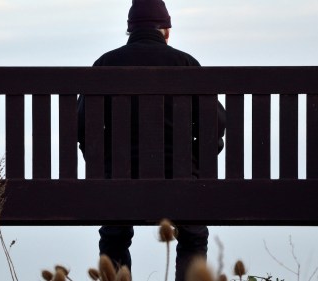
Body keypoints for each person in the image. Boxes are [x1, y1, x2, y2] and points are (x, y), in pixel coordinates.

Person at [77, 1, 226, 280]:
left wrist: (105, 166)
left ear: (129, 30)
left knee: (114, 237)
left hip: (119, 182)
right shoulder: (187, 64)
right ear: (166, 30)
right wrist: (195, 162)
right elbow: (215, 125)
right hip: (182, 179)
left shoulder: (105, 64)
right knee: (193, 236)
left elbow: (82, 127)